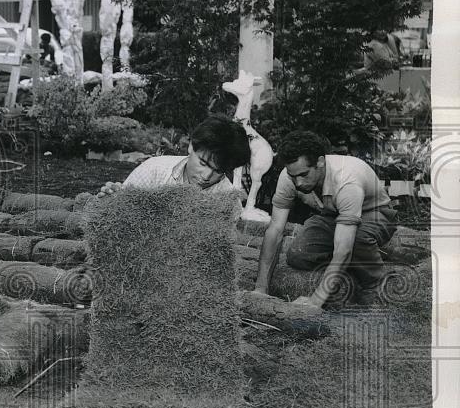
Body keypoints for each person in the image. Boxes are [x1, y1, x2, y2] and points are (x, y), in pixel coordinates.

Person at [253, 130, 396, 307]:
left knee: (356, 241)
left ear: (320, 162)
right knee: (298, 255)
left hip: (375, 213)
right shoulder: (289, 176)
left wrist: (315, 301)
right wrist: (260, 289)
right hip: (333, 215)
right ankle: (353, 262)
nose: (298, 183)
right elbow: (275, 230)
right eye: (293, 176)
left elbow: (343, 249)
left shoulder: (347, 181)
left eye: (304, 175)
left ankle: (374, 281)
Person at [98, 115, 251, 196]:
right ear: (191, 146)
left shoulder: (227, 199)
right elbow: (121, 206)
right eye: (203, 163)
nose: (206, 176)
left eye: (218, 171)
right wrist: (113, 200)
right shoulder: (154, 170)